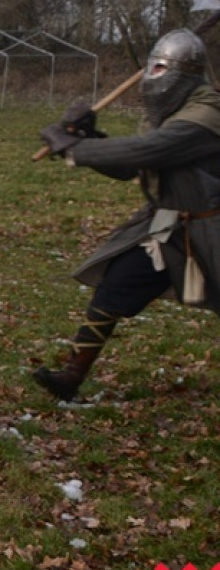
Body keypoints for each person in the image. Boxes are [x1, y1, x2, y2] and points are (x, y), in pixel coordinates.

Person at [34, 28, 220, 402]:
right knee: (116, 285)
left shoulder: (205, 116)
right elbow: (131, 167)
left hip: (212, 230)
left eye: (162, 69)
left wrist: (75, 149)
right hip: (170, 230)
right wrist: (90, 139)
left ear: (183, 75)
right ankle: (71, 376)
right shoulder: (178, 112)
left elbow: (148, 151)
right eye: (152, 69)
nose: (154, 79)